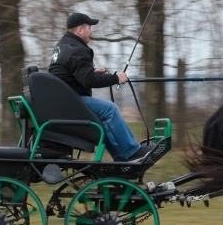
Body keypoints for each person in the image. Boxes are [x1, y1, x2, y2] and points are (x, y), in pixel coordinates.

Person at [48, 12, 152, 162]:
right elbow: (88, 80)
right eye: (89, 27)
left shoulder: (63, 45)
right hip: (70, 103)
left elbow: (70, 73)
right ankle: (131, 151)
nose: (92, 31)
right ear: (80, 30)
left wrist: (92, 71)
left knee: (101, 117)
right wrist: (116, 78)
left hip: (63, 101)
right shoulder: (78, 50)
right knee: (110, 109)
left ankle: (122, 157)